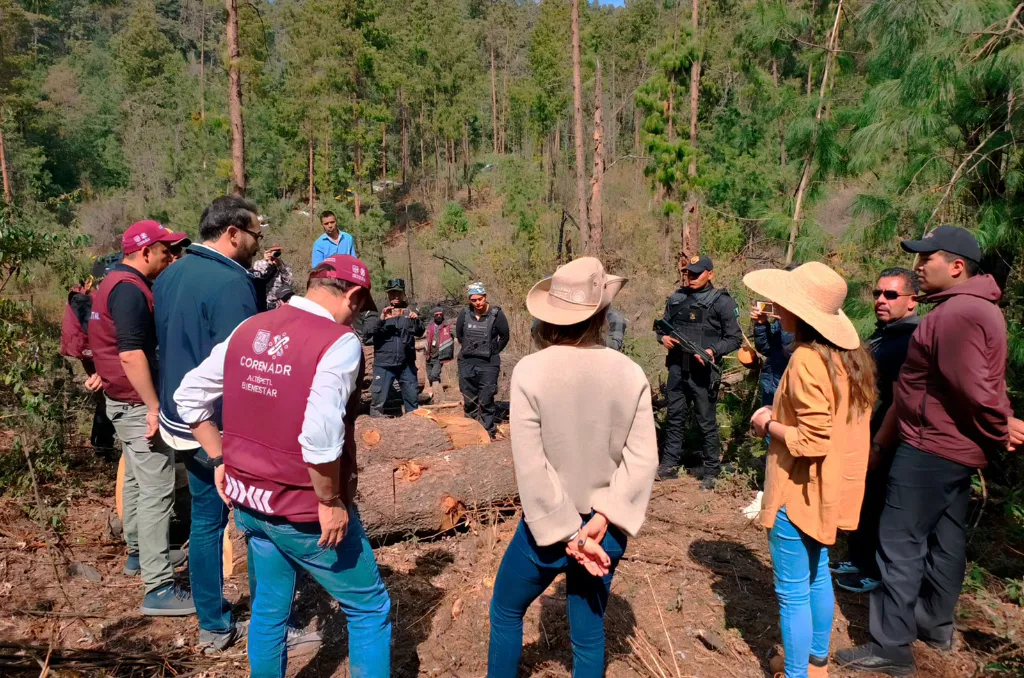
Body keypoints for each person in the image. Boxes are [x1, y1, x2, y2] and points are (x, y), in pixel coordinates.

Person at [174, 255, 391, 678]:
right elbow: (319, 436)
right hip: (301, 510)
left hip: (251, 507)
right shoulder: (338, 342)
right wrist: (329, 500)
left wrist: (219, 457)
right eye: (360, 308)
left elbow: (188, 396)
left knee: (269, 612)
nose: (356, 318)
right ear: (355, 294)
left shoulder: (249, 328)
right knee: (369, 609)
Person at [837, 226, 1024, 676]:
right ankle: (935, 625)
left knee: (898, 544)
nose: (919, 267)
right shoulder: (975, 310)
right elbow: (977, 383)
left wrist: (1002, 424)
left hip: (929, 448)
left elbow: (973, 386)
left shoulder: (956, 315)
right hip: (956, 449)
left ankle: (892, 647)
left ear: (957, 267)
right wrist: (1002, 421)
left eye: (928, 259)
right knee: (945, 539)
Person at [488, 257, 658, 678]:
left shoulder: (529, 372)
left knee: (506, 610)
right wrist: (602, 519)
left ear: (549, 317)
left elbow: (532, 467)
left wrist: (569, 535)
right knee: (588, 633)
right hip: (606, 531)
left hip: (548, 530)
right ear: (602, 314)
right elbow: (643, 460)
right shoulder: (630, 373)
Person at [743, 262, 876, 678]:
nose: (779, 310)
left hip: (798, 492)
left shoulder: (806, 360)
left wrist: (767, 422)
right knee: (818, 574)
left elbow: (811, 440)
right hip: (828, 489)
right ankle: (817, 660)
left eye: (786, 304)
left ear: (801, 313)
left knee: (792, 593)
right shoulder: (850, 359)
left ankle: (797, 672)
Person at [153, 196, 268, 652]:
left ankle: (213, 625)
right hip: (220, 426)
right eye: (255, 234)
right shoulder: (229, 284)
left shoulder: (170, 273)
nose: (258, 244)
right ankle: (269, 621)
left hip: (180, 419)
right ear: (233, 234)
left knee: (205, 522)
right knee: (256, 521)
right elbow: (244, 365)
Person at [89, 220, 193, 615]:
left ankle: (138, 553)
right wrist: (154, 406)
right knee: (157, 490)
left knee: (135, 477)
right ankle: (159, 587)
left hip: (120, 399)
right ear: (145, 252)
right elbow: (131, 354)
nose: (169, 257)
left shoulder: (111, 282)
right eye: (165, 250)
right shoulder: (131, 291)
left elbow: (106, 341)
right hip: (135, 403)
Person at [833, 268, 920, 595]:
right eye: (878, 293)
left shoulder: (910, 340)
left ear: (912, 302)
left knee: (879, 504)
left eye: (891, 295)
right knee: (864, 500)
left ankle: (872, 571)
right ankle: (858, 559)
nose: (881, 300)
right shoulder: (884, 333)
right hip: (864, 434)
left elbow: (901, 402)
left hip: (886, 439)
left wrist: (880, 446)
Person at [655, 255, 743, 488]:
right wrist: (662, 338)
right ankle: (669, 466)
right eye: (689, 273)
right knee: (675, 417)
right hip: (677, 367)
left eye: (697, 273)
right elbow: (662, 326)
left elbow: (734, 338)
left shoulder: (723, 303)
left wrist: (713, 350)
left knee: (706, 422)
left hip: (704, 372)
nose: (691, 277)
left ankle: (711, 471)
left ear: (710, 274)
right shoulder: (677, 298)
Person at [362, 279, 424, 416]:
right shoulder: (377, 310)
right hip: (384, 364)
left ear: (403, 294)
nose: (395, 296)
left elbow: (420, 332)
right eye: (392, 293)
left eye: (398, 293)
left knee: (412, 402)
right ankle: (376, 430)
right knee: (378, 403)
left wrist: (416, 321)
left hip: (406, 364)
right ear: (388, 294)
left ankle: (414, 431)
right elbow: (366, 334)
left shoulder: (410, 310)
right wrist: (381, 319)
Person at [456, 282, 510, 439]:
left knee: (486, 399)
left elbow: (505, 336)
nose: (477, 303)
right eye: (473, 300)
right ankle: (470, 432)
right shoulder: (465, 314)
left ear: (485, 297)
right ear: (469, 300)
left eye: (480, 299)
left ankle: (487, 432)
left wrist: (494, 350)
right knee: (469, 399)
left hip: (489, 364)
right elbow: (459, 335)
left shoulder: (496, 314)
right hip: (467, 362)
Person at [752, 310, 793, 409]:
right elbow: (766, 349)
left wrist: (787, 324)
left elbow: (791, 352)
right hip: (771, 385)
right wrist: (761, 325)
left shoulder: (809, 324)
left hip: (790, 391)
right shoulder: (781, 321)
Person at [425, 307, 454, 402]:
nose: (438, 316)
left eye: (440, 314)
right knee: (430, 377)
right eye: (436, 314)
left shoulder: (448, 326)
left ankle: (439, 398)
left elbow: (457, 334)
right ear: (434, 315)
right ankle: (435, 397)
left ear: (443, 315)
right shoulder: (430, 326)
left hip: (440, 356)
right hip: (429, 356)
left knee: (434, 375)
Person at [251, 246, 295, 311]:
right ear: (267, 253)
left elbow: (289, 282)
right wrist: (268, 264)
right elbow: (259, 277)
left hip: (279, 302)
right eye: (272, 252)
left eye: (278, 252)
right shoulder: (259, 263)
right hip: (264, 302)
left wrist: (280, 266)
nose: (275, 254)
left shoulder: (283, 265)